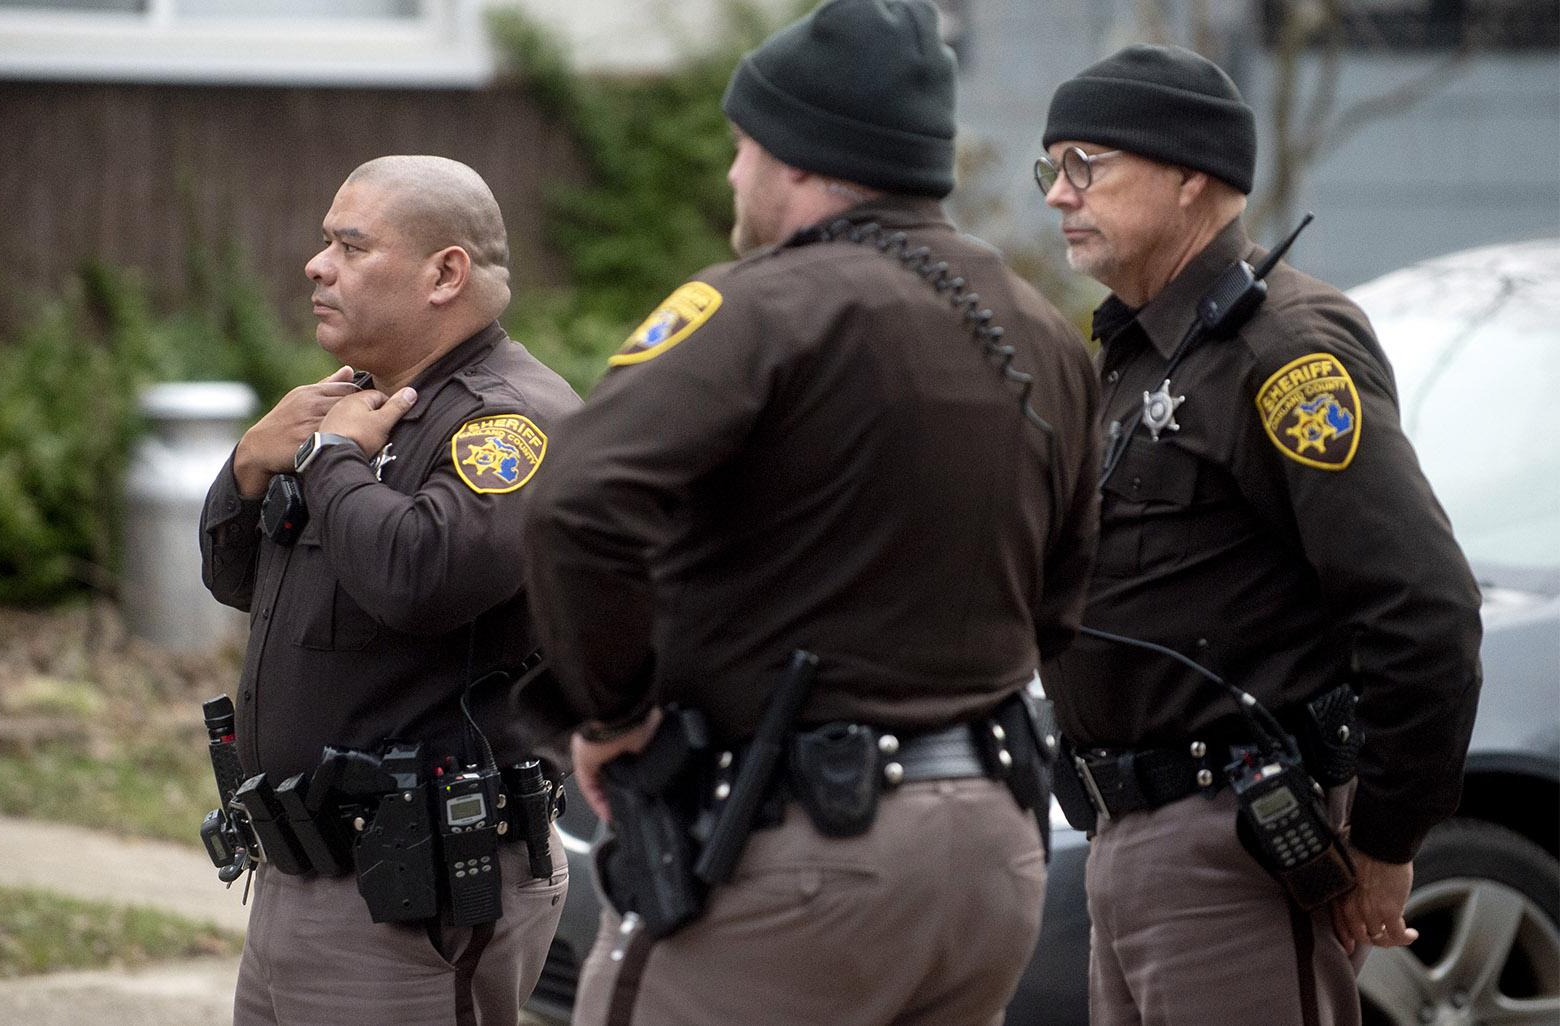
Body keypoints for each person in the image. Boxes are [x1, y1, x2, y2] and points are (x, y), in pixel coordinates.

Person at [519, 3, 1101, 1024]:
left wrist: (613, 712)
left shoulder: (760, 306)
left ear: (798, 157)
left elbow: (576, 505)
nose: (732, 174)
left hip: (802, 854)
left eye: (744, 147)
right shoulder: (1047, 333)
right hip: (992, 856)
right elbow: (1065, 592)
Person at [1034, 44, 1484, 1026]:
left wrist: (1388, 838)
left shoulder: (1285, 350)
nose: (1059, 195)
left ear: (1191, 174)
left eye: (1086, 164)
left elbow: (1423, 608)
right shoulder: (1132, 353)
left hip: (1233, 847)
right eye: (1049, 169)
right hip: (1126, 840)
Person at [199, 154, 580, 1026]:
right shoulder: (357, 403)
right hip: (301, 875)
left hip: (415, 897)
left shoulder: (508, 420)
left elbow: (419, 578)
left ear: (445, 273)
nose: (316, 264)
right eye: (324, 242)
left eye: (349, 245)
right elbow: (238, 578)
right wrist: (253, 463)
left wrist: (332, 462)